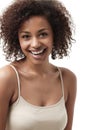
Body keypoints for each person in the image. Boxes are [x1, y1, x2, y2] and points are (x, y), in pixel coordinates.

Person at [0, 0, 77, 130]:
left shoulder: (67, 79)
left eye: (43, 34)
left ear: (55, 35)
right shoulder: (7, 78)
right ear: (17, 39)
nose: (35, 44)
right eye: (26, 36)